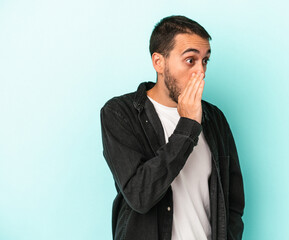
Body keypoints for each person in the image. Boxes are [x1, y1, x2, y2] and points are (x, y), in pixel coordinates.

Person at [100, 15, 245, 240]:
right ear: (159, 62)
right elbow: (140, 196)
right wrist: (187, 126)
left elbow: (233, 203)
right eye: (190, 60)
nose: (201, 72)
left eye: (205, 60)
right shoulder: (120, 113)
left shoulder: (214, 118)